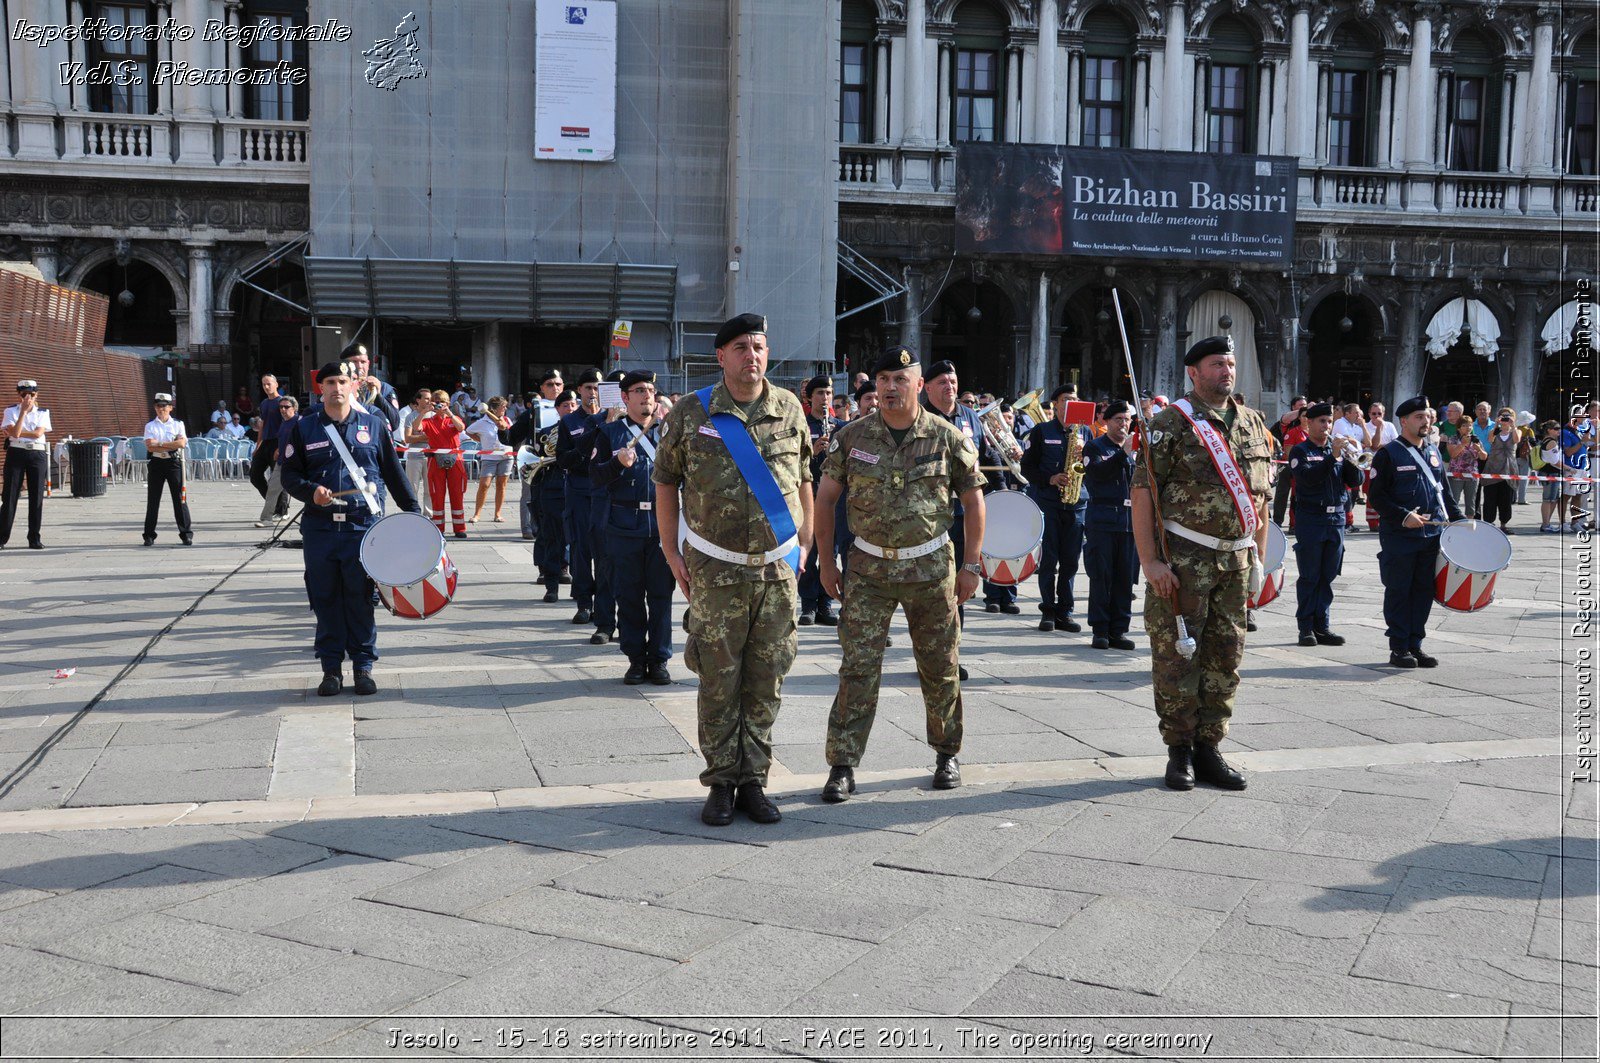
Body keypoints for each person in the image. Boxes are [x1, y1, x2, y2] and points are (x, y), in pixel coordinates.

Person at [653, 313, 813, 827]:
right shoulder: (689, 412)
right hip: (716, 570)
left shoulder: (789, 407)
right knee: (719, 679)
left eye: (760, 346)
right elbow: (664, 482)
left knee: (766, 678)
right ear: (721, 356)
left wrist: (805, 541)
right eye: (742, 347)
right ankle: (721, 781)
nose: (753, 355)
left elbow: (804, 475)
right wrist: (671, 550)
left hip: (776, 570)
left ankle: (754, 781)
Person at [813, 348, 986, 802]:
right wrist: (826, 562)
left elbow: (973, 503)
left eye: (900, 378)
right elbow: (826, 499)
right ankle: (843, 763)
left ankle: (947, 754)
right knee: (858, 668)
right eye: (884, 378)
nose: (890, 387)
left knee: (940, 666)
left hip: (931, 569)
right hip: (868, 570)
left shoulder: (947, 437)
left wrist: (970, 565)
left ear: (917, 384)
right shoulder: (852, 437)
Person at [1132, 336, 1273, 792]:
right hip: (1184, 563)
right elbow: (1142, 495)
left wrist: (1260, 559)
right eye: (1216, 364)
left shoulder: (1253, 422)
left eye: (1230, 363)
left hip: (1236, 563)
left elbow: (1261, 497)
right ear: (1193, 372)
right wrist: (1151, 561)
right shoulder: (1171, 424)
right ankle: (1179, 752)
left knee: (1225, 657)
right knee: (1177, 657)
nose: (1226, 371)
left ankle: (1210, 749)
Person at [280, 360, 419, 696]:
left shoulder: (373, 426)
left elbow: (393, 473)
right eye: (330, 382)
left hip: (363, 528)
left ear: (354, 386)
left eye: (343, 381)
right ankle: (330, 670)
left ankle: (362, 667)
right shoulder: (304, 427)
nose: (337, 388)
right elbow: (289, 475)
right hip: (320, 528)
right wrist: (310, 491)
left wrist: (414, 513)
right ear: (320, 388)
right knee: (325, 597)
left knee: (360, 599)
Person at [1368, 395, 1463, 668]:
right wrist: (1403, 516)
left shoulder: (1432, 451)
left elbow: (1443, 493)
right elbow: (1377, 497)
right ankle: (1398, 647)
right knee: (1399, 590)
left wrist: (1459, 520)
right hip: (1400, 537)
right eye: (1420, 417)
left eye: (1429, 416)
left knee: (1423, 591)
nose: (1427, 421)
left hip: (1430, 536)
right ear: (1404, 421)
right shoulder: (1388, 454)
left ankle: (1415, 644)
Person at [592, 370, 673, 685]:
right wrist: (616, 464)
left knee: (661, 597)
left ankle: (660, 659)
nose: (646, 396)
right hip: (623, 526)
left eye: (650, 390)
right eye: (639, 390)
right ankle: (636, 659)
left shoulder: (668, 433)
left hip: (661, 526)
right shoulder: (609, 433)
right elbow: (595, 476)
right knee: (628, 597)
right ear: (625, 398)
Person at [922, 360, 997, 679]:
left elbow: (987, 457)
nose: (949, 386)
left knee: (959, 587)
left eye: (953, 380)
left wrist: (1001, 493)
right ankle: (928, 655)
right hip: (929, 517)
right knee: (929, 590)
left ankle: (951, 655)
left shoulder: (970, 418)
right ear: (926, 387)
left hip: (964, 515)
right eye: (941, 381)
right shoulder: (920, 419)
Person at [1287, 403, 1362, 646]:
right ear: (1308, 423)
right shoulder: (1300, 451)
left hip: (1336, 518)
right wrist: (1333, 457)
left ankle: (1323, 625)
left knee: (1328, 575)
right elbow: (1307, 479)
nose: (1326, 426)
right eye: (1321, 421)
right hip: (1312, 518)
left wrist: (1352, 458)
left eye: (1329, 421)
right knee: (1310, 575)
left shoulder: (1337, 450)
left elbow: (1355, 480)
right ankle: (1306, 627)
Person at [1021, 384, 1093, 635]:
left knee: (1071, 561)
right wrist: (1050, 478)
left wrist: (1085, 457)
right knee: (1049, 559)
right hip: (1050, 503)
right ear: (1055, 404)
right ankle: (1048, 610)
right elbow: (1026, 467)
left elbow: (1091, 467)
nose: (1071, 403)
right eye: (1066, 399)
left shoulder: (1085, 431)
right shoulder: (1041, 431)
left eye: (1075, 399)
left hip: (1076, 504)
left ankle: (1066, 610)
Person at [1081, 400, 1138, 650]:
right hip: (1103, 521)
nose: (1123, 424)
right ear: (1107, 421)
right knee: (1102, 577)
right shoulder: (1094, 447)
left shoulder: (1136, 450)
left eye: (1127, 420)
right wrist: (1122, 455)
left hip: (1128, 523)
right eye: (1118, 420)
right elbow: (1097, 474)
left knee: (1125, 579)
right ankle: (1100, 629)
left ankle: (1119, 630)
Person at [582, 370, 629, 646]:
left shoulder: (647, 424)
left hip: (633, 507)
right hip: (603, 502)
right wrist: (608, 421)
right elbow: (584, 453)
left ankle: (628, 622)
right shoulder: (595, 421)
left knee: (631, 570)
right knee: (604, 565)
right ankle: (604, 623)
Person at [558, 369, 604, 627]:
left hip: (604, 491)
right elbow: (562, 459)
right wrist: (583, 450)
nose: (593, 392)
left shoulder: (611, 419)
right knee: (581, 549)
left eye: (597, 387)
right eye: (588, 387)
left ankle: (605, 605)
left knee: (606, 551)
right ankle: (584, 602)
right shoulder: (569, 422)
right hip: (579, 490)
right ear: (580, 391)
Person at [798, 374, 843, 627]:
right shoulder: (802, 426)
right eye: (820, 394)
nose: (825, 399)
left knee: (830, 551)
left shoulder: (842, 427)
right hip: (809, 496)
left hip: (833, 500)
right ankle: (808, 605)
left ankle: (826, 603)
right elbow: (792, 465)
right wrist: (813, 453)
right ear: (810, 397)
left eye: (828, 394)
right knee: (809, 549)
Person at [529, 390, 577, 601]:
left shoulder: (584, 428)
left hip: (576, 486)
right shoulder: (546, 433)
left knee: (576, 538)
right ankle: (551, 583)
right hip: (553, 486)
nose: (569, 409)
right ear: (557, 409)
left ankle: (574, 578)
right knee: (551, 536)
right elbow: (538, 459)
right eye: (565, 405)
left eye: (572, 405)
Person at [508, 371, 564, 541]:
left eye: (558, 384)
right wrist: (503, 429)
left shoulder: (572, 407)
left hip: (563, 466)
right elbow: (512, 437)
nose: (554, 388)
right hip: (537, 465)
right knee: (530, 497)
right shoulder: (534, 410)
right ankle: (528, 528)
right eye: (549, 384)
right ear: (542, 388)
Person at [409, 389, 468, 539]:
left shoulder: (452, 419)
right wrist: (424, 412)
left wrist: (449, 413)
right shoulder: (428, 421)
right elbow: (416, 428)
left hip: (456, 461)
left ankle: (459, 528)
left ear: (448, 403)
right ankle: (438, 528)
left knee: (457, 494)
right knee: (436, 495)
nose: (439, 406)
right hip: (435, 461)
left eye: (442, 403)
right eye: (436, 403)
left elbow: (461, 428)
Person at [0, 380, 50, 550]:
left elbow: (37, 434)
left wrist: (18, 432)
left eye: (31, 394)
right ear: (18, 394)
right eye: (23, 394)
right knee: (9, 495)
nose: (27, 398)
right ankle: (2, 537)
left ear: (37, 394)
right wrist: (22, 412)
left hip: (37, 454)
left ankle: (34, 537)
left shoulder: (43, 412)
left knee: (36, 496)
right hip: (16, 452)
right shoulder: (10, 411)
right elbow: (14, 433)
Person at [140, 393, 194, 546]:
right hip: (156, 462)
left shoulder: (178, 424)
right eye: (158, 405)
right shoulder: (150, 426)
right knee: (153, 500)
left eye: (164, 406)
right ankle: (149, 535)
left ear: (170, 407)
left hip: (173, 463)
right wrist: (170, 443)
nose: (161, 409)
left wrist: (160, 444)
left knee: (180, 499)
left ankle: (186, 534)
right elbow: (149, 445)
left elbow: (181, 444)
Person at [466, 396, 512, 523]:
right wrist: (480, 440)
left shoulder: (507, 420)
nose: (505, 409)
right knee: (484, 485)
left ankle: (498, 514)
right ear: (494, 409)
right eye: (503, 407)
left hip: (506, 456)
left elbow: (511, 436)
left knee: (501, 485)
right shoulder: (482, 422)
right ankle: (477, 514)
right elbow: (468, 431)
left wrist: (505, 427)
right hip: (489, 457)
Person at [1479, 408, 1525, 533]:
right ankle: (1488, 523)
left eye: (1508, 416)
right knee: (1490, 497)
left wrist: (1513, 425)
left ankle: (1504, 524)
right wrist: (1496, 425)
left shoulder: (1517, 431)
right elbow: (1490, 439)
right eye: (1503, 416)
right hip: (1493, 466)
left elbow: (1516, 440)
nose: (1505, 419)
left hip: (1509, 468)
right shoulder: (1494, 431)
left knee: (1505, 499)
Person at [256, 395, 299, 527]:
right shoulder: (284, 422)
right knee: (272, 489)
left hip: (296, 464)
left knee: (306, 491)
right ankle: (266, 519)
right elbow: (282, 439)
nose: (283, 409)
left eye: (286, 407)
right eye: (281, 407)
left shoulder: (299, 422)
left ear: (294, 408)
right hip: (281, 463)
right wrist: (278, 450)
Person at [249, 374, 287, 516]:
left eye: (269, 384)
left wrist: (281, 446)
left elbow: (287, 424)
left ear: (276, 384)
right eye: (264, 384)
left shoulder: (282, 402)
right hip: (265, 442)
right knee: (254, 475)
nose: (266, 387)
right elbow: (262, 425)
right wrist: (257, 445)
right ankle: (274, 504)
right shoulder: (264, 403)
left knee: (277, 478)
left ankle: (282, 511)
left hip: (278, 442)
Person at [1269, 396, 1308, 525]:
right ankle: (1277, 522)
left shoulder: (1310, 427)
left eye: (1305, 405)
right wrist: (1305, 410)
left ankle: (1295, 523)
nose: (1305, 414)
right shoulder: (1289, 422)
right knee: (1282, 494)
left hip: (1302, 467)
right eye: (1300, 405)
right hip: (1286, 464)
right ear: (1293, 407)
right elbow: (1288, 450)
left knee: (1298, 495)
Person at [345, 344, 402, 431]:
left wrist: (378, 395)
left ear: (368, 364)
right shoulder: (340, 389)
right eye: (354, 362)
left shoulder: (385, 389)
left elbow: (394, 424)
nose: (359, 366)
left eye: (363, 362)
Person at [396, 388, 433, 513]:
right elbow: (408, 438)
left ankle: (429, 514)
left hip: (430, 457)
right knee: (413, 487)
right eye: (426, 398)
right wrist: (424, 437)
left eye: (430, 398)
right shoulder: (410, 417)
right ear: (418, 400)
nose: (429, 401)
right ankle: (413, 513)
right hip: (414, 457)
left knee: (429, 488)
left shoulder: (433, 416)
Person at [1445, 414, 1487, 519]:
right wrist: (1462, 444)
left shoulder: (1475, 439)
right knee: (1454, 500)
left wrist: (1479, 450)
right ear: (1459, 427)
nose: (1468, 428)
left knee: (1471, 502)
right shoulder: (1453, 439)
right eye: (1464, 425)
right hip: (1456, 474)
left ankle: (1470, 522)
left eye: (1470, 425)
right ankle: (1453, 521)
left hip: (1472, 474)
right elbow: (1453, 454)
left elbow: (1484, 457)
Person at [1563, 405, 1595, 531]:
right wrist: (1582, 442)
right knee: (1566, 496)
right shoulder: (1566, 430)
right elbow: (1568, 452)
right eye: (1582, 414)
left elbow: (1593, 442)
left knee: (1578, 496)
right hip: (1571, 467)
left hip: (1582, 467)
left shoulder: (1581, 429)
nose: (1585, 416)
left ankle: (1575, 522)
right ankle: (1563, 522)